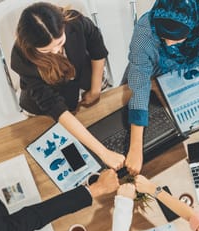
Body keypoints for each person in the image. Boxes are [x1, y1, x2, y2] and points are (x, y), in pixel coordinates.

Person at [11, 2, 124, 170]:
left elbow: (96, 46)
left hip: (81, 81)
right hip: (45, 107)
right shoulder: (22, 60)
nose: (56, 51)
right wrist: (103, 152)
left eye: (60, 42)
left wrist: (95, 88)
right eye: (46, 50)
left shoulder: (75, 21)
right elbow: (55, 107)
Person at [125, 0, 199, 175]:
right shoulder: (144, 34)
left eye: (176, 38)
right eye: (163, 37)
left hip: (190, 69)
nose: (169, 44)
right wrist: (136, 147)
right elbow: (139, 85)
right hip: (152, 74)